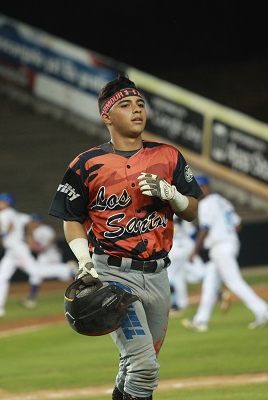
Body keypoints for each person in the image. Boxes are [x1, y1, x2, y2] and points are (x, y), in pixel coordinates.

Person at [49, 74, 202, 400]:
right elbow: (71, 219)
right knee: (144, 366)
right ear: (107, 116)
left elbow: (193, 211)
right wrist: (85, 262)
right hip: (113, 275)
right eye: (126, 105)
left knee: (137, 363)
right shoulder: (87, 164)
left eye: (141, 104)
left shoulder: (169, 156)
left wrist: (173, 196)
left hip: (159, 275)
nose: (137, 110)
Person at [182, 176, 268, 332]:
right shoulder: (222, 201)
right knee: (210, 283)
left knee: (234, 281)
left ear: (205, 187)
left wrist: (195, 251)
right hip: (228, 243)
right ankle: (200, 320)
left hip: (220, 247)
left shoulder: (206, 203)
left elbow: (205, 228)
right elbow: (238, 225)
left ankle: (263, 311)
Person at [0, 192, 37, 320]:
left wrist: (0, 238)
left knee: (36, 271)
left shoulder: (3, 214)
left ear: (6, 203)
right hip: (13, 250)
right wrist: (29, 236)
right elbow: (30, 220)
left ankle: (66, 269)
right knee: (0, 277)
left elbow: (10, 226)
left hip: (17, 248)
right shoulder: (16, 214)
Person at [20, 214, 77, 309]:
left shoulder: (44, 228)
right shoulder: (33, 232)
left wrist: (45, 246)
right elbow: (33, 247)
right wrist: (29, 234)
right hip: (44, 255)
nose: (32, 223)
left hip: (51, 254)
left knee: (45, 273)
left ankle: (68, 269)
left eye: (34, 221)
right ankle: (31, 299)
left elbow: (53, 238)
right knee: (36, 274)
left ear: (38, 221)